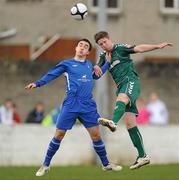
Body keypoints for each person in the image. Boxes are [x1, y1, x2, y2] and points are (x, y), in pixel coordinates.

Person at [25, 38, 122, 177]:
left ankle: (106, 164)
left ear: (88, 52)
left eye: (86, 46)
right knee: (59, 134)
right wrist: (38, 83)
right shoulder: (67, 64)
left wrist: (107, 63)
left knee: (96, 135)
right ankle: (45, 165)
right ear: (76, 48)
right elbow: (51, 74)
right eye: (80, 45)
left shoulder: (89, 65)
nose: (82, 47)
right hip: (71, 103)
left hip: (87, 104)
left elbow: (97, 75)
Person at [93, 31, 172, 169]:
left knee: (122, 97)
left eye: (104, 42)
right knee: (130, 123)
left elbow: (139, 48)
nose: (103, 46)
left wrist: (157, 46)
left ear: (109, 39)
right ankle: (143, 156)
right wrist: (96, 68)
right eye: (100, 44)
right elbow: (97, 75)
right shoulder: (103, 56)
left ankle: (113, 122)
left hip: (131, 81)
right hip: (121, 86)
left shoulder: (120, 48)